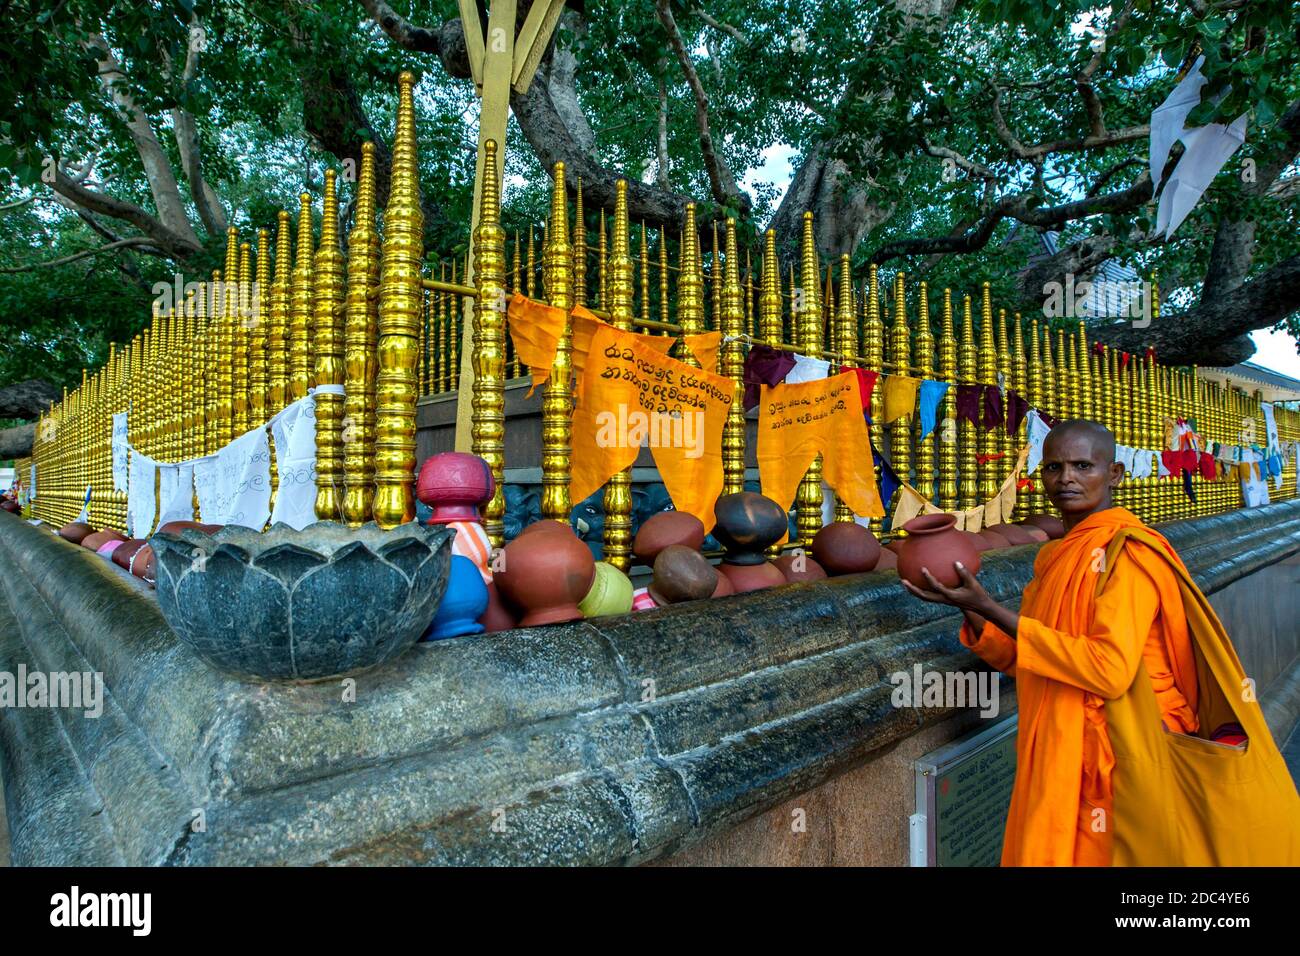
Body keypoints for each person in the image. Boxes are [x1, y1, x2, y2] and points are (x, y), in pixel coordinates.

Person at [901, 419, 1300, 865]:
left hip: (1116, 755)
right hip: (1061, 746)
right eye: (1053, 467)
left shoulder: (1126, 554)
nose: (1065, 478)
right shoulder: (1056, 555)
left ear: (1114, 475)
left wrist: (993, 608)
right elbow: (1032, 656)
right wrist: (970, 607)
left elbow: (1107, 670)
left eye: (1082, 465)